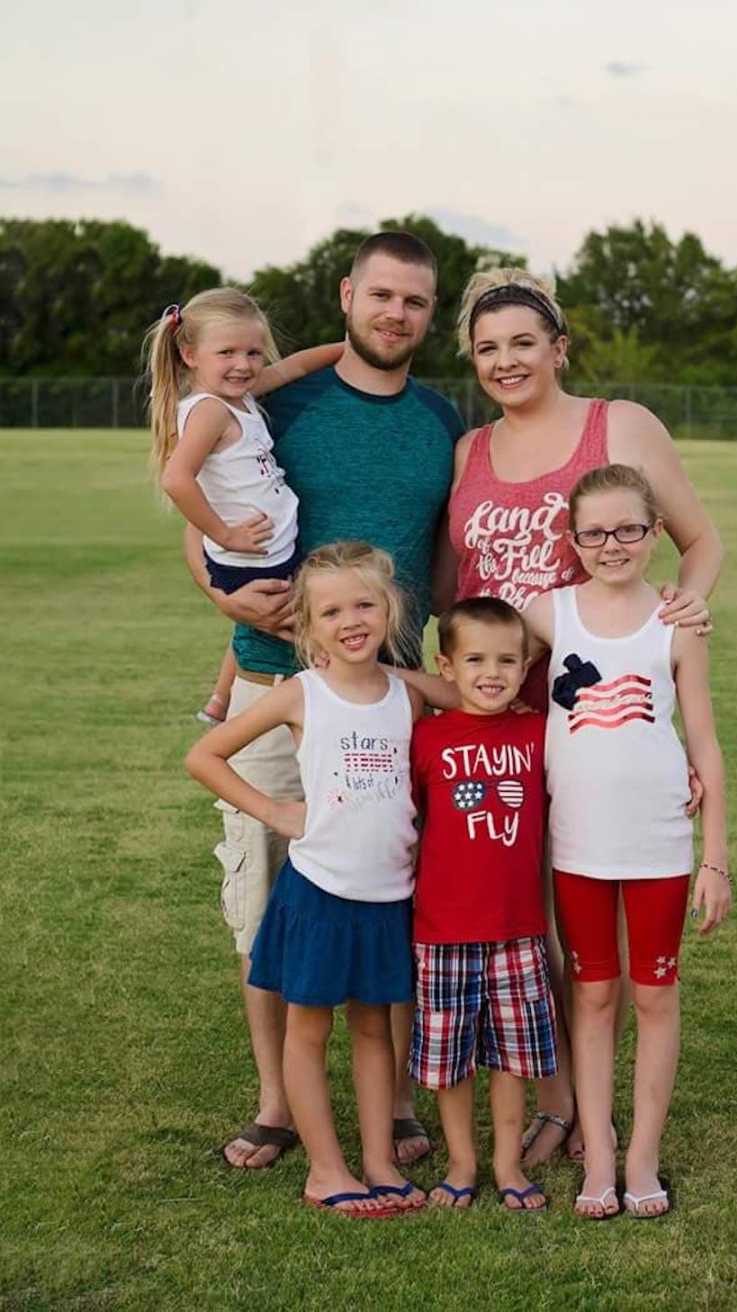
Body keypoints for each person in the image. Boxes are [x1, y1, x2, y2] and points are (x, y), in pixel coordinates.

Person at [183, 233, 464, 1168]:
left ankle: (394, 1107)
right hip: (276, 682)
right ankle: (275, 1103)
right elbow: (200, 510)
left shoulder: (438, 419)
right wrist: (220, 592)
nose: (396, 313)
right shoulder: (276, 401)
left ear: (430, 314)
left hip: (393, 703)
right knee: (268, 901)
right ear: (347, 295)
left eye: (415, 302)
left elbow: (446, 561)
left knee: (392, 895)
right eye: (381, 294)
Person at [433, 268, 724, 1165]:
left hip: (587, 715)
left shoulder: (619, 427)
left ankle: (577, 1112)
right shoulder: (470, 450)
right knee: (524, 918)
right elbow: (455, 584)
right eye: (487, 349)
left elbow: (698, 539)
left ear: (559, 348)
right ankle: (558, 1096)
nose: (507, 362)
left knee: (580, 916)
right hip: (491, 714)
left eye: (525, 343)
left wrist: (683, 610)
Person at [185, 542, 427, 1217]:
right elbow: (204, 754)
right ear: (307, 627)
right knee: (309, 1030)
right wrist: (271, 810)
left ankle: (377, 1160)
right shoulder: (302, 693)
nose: (351, 620)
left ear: (390, 609)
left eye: (364, 604)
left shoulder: (407, 694)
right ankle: (326, 1168)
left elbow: (473, 692)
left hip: (386, 897)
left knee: (375, 1029)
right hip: (319, 892)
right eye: (331, 612)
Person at [523, 463, 731, 1218]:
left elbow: (703, 743)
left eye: (629, 530)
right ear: (573, 538)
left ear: (655, 534)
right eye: (595, 532)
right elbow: (470, 651)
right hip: (577, 842)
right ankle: (599, 1151)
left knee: (654, 994)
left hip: (659, 844)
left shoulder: (676, 620)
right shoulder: (549, 613)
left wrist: (715, 855)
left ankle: (642, 1153)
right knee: (595, 993)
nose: (612, 545)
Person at [409, 597, 556, 1212]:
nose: (491, 673)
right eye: (475, 659)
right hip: (441, 930)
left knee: (511, 1057)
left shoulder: (538, 733)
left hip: (517, 930)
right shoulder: (424, 739)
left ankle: (506, 1164)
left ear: (526, 669)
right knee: (451, 1061)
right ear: (447, 666)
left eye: (506, 661)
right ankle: (463, 1163)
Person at [145, 287, 342, 725]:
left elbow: (294, 366)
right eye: (227, 352)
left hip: (272, 549)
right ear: (190, 354)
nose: (244, 364)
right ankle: (244, 702)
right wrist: (225, 534)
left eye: (254, 352)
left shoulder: (241, 396)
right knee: (306, 624)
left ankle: (219, 700)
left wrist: (351, 348)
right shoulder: (211, 411)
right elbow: (176, 479)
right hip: (254, 557)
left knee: (288, 621)